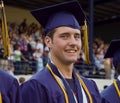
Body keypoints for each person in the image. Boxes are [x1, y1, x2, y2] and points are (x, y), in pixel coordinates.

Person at [20, 1, 102, 103]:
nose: (73, 42)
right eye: (64, 36)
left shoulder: (90, 87)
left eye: (77, 36)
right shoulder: (35, 87)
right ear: (48, 41)